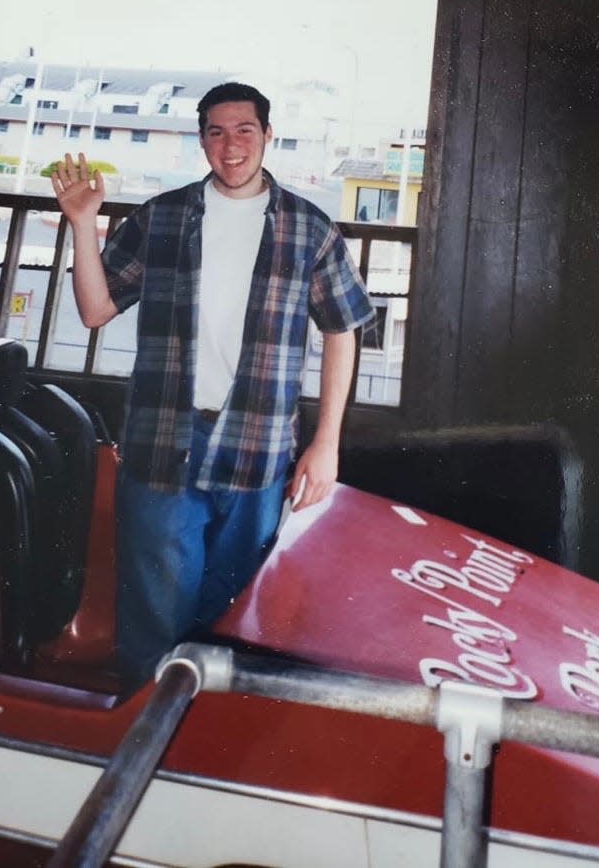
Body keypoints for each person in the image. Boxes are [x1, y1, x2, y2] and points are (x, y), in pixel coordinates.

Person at [51, 82, 374, 687]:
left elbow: (342, 330)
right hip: (161, 444)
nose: (231, 147)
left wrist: (325, 444)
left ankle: (204, 745)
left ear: (268, 136)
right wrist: (83, 224)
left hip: (259, 452)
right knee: (154, 625)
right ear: (201, 140)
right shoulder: (162, 216)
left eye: (244, 130)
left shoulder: (310, 229)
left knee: (236, 621)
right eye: (216, 132)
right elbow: (95, 310)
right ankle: (145, 746)